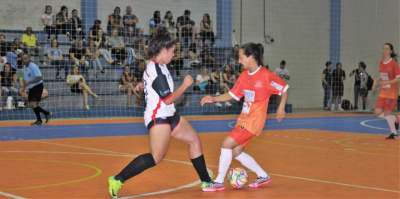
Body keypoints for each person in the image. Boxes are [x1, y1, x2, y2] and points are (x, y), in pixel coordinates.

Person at [108, 28, 218, 198]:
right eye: (172, 51)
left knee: (194, 140)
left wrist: (142, 84)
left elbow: (152, 82)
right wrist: (185, 85)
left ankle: (206, 181)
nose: (174, 54)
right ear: (163, 50)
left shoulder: (158, 65)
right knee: (156, 157)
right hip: (159, 116)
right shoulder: (157, 70)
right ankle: (117, 179)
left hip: (169, 113)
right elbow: (167, 99)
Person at [200, 42, 289, 190]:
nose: (239, 60)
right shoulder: (244, 76)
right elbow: (232, 94)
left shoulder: (266, 76)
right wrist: (214, 98)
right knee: (236, 151)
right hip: (244, 118)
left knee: (226, 144)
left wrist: (281, 107)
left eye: (241, 57)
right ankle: (263, 176)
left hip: (254, 121)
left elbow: (284, 88)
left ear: (251, 57)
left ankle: (219, 182)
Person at [374, 43, 399, 139]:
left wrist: (387, 82)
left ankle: (394, 133)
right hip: (383, 92)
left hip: (392, 93)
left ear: (391, 51)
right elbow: (382, 78)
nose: (384, 50)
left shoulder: (394, 63)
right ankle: (396, 119)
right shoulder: (381, 62)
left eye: (387, 48)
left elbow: (398, 79)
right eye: (383, 48)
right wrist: (377, 83)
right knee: (377, 112)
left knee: (387, 113)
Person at [20, 53, 51, 125]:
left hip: (37, 86)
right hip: (31, 87)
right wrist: (23, 88)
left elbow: (39, 77)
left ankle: (47, 113)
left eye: (26, 58)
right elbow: (24, 80)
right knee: (32, 104)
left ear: (29, 58)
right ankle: (39, 120)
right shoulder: (24, 68)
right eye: (23, 59)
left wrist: (29, 82)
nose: (24, 60)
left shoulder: (33, 66)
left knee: (33, 103)